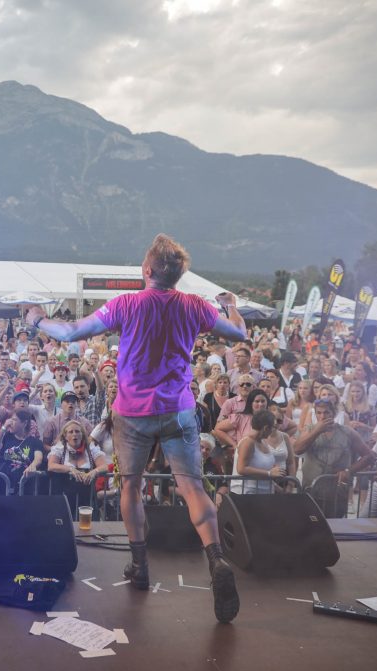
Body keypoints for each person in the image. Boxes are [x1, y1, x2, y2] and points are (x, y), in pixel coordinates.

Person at [24, 233, 246, 623]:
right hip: (178, 410)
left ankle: (140, 565)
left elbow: (72, 332)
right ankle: (216, 560)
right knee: (192, 487)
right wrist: (232, 306)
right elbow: (239, 333)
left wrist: (37, 318)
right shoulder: (196, 306)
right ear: (178, 276)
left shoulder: (126, 304)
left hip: (132, 413)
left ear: (147, 270)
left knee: (131, 485)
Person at [293, 399, 377, 518]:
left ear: (333, 413)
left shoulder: (347, 432)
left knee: (335, 527)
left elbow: (369, 456)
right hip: (311, 489)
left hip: (337, 492)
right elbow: (297, 450)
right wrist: (317, 431)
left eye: (326, 412)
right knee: (311, 526)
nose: (322, 416)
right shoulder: (309, 429)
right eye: (319, 412)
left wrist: (349, 471)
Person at [46, 420, 109, 515]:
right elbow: (51, 466)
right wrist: (70, 469)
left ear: (82, 434)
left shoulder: (90, 448)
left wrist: (94, 472)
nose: (74, 434)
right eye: (70, 432)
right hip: (65, 497)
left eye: (77, 431)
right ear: (65, 436)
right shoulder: (60, 448)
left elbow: (104, 466)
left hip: (87, 499)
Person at [235, 410, 295, 494]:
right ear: (266, 428)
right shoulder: (248, 442)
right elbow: (241, 469)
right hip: (247, 493)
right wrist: (269, 473)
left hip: (265, 492)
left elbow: (265, 471)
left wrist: (279, 489)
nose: (273, 430)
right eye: (272, 427)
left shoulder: (263, 442)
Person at [0, 407, 45, 494]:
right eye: (10, 419)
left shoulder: (35, 442)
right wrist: (3, 429)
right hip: (3, 486)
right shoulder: (6, 437)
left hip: (24, 489)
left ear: (24, 423)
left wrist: (33, 465)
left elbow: (38, 458)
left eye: (14, 420)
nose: (10, 422)